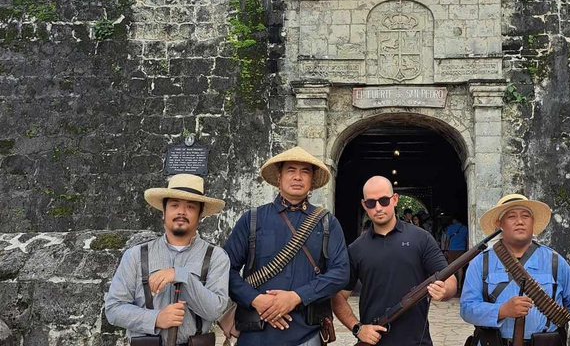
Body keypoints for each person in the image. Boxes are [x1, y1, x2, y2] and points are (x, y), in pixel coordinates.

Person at [224, 146, 349, 346]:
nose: (298, 177)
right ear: (279, 176)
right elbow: (224, 270)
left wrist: (297, 297)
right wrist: (257, 300)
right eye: (291, 170)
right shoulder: (252, 219)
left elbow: (341, 273)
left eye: (305, 171)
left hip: (307, 334)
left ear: (312, 180)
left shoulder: (327, 223)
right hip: (256, 332)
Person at [105, 173, 230, 344]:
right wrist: (156, 318)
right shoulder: (136, 255)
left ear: (201, 215)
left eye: (191, 207)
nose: (181, 212)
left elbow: (214, 310)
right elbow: (113, 309)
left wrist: (181, 275)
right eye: (174, 205)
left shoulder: (216, 257)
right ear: (163, 212)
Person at [332, 176, 457, 346]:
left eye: (384, 201)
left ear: (395, 199)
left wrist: (445, 291)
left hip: (417, 341)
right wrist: (358, 328)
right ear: (364, 205)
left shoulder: (421, 239)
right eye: (371, 203)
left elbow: (449, 279)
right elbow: (338, 296)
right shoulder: (356, 249)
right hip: (374, 341)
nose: (378, 208)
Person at [461, 194, 570, 346]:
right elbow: (467, 308)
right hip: (493, 342)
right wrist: (502, 310)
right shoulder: (481, 262)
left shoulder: (555, 261)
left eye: (526, 216)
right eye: (511, 216)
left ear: (533, 222)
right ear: (499, 224)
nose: (519, 221)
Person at [443, 216, 469, 290]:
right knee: (460, 267)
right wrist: (467, 249)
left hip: (452, 249)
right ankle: (460, 284)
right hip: (462, 249)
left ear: (455, 219)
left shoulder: (450, 228)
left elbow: (447, 240)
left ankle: (452, 284)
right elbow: (467, 239)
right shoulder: (465, 228)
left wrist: (445, 250)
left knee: (451, 267)